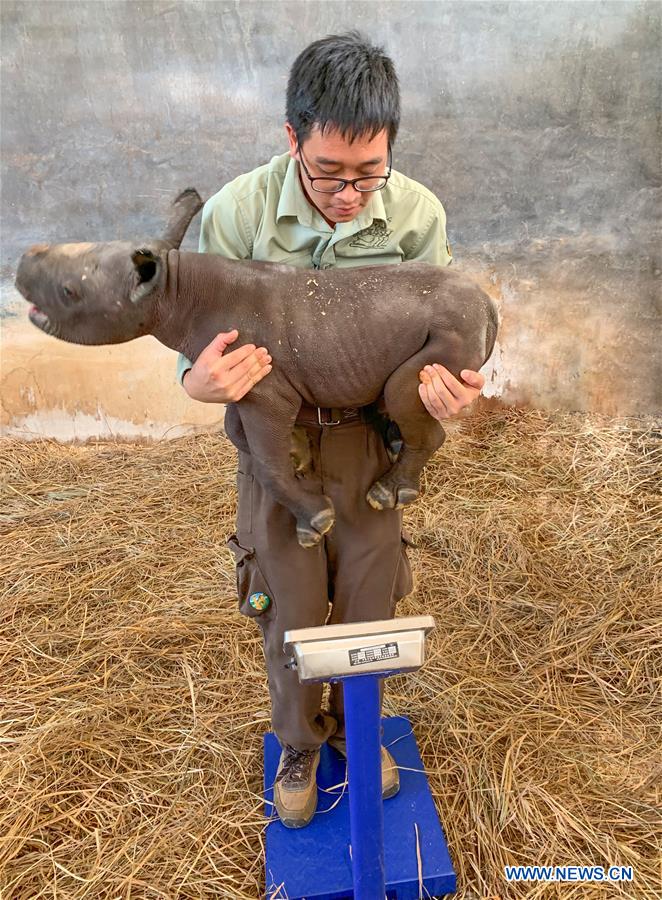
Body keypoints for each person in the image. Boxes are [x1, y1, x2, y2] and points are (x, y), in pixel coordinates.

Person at [177, 31, 485, 828]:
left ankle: (357, 727)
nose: (349, 194)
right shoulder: (236, 214)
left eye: (369, 172)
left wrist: (448, 394)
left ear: (391, 147)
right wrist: (196, 383)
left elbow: (438, 345)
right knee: (288, 601)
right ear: (292, 138)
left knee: (369, 597)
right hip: (276, 440)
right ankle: (299, 742)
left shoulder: (416, 216)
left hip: (371, 438)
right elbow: (194, 344)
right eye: (328, 172)